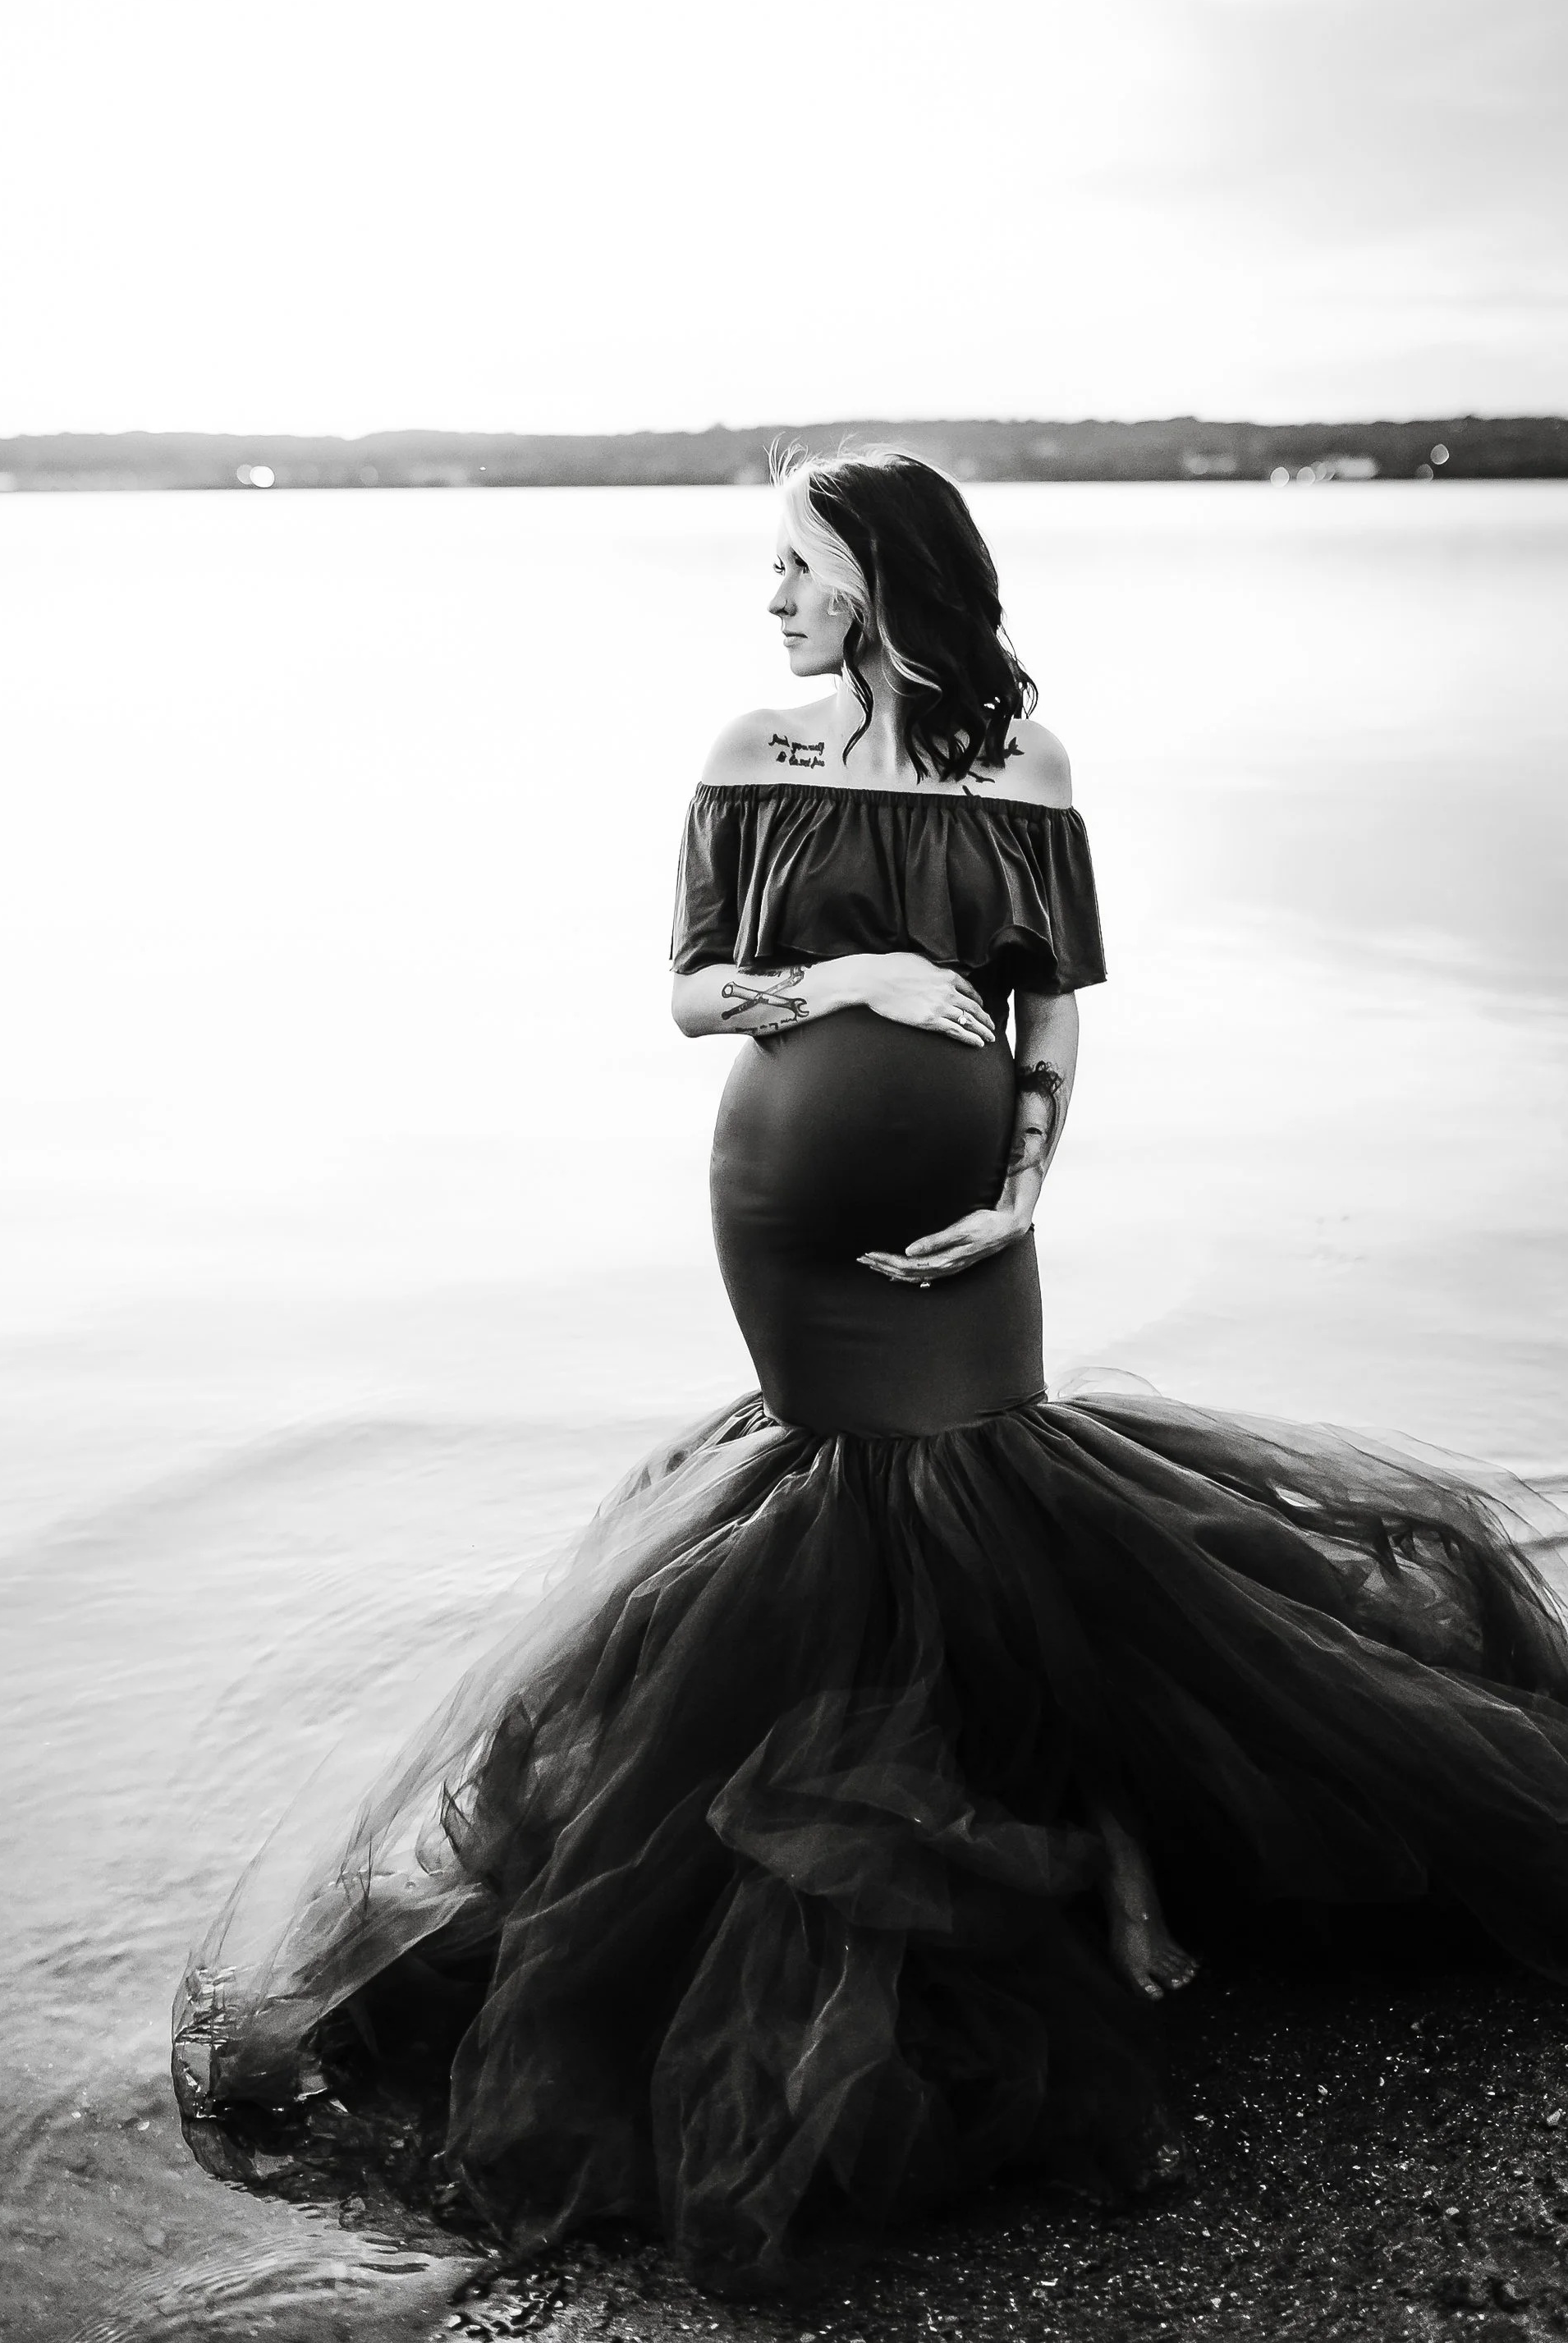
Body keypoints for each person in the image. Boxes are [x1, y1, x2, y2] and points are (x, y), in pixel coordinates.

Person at [174, 449, 1568, 2287]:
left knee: (1011, 1495)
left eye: (795, 563)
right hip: (783, 1211)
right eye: (768, 565)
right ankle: (922, 1921)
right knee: (854, 1517)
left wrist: (1016, 1191)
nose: (767, 595)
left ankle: (1109, 1873)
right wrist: (860, 987)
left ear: (888, 576)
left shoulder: (1026, 766)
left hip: (970, 1228)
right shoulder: (757, 745)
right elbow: (687, 988)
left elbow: (1047, 1002)